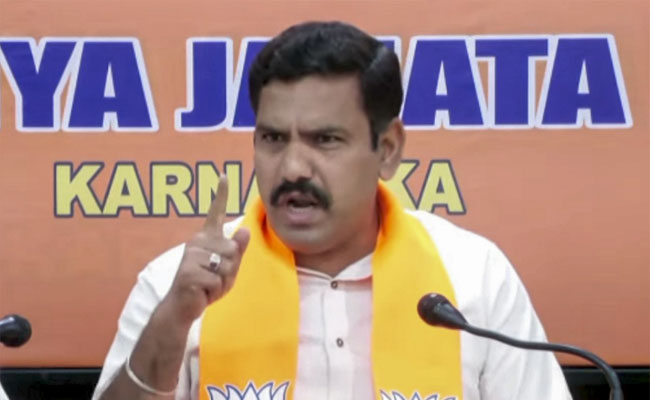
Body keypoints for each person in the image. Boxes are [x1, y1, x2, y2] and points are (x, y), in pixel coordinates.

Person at [93, 21, 572, 400]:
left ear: (387, 149)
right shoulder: (177, 286)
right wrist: (172, 324)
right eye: (273, 138)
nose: (292, 167)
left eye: (325, 139)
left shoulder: (473, 278)